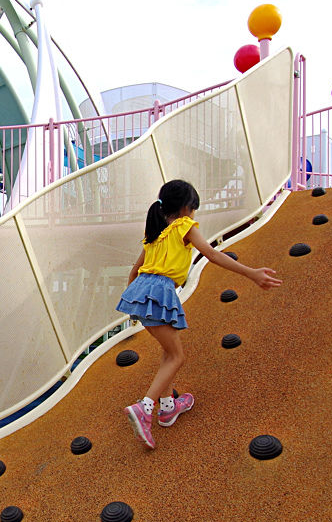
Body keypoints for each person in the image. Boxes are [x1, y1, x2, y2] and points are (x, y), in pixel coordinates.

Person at [116, 179, 281, 449]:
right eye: (194, 209)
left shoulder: (155, 236)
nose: (194, 214)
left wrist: (137, 302)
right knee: (177, 356)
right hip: (160, 291)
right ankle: (145, 407)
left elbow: (134, 272)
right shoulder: (184, 227)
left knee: (168, 352)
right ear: (185, 208)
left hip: (140, 294)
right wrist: (251, 273)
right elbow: (211, 255)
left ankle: (168, 408)